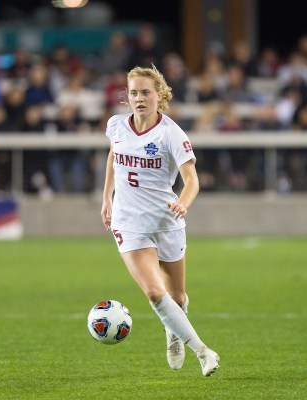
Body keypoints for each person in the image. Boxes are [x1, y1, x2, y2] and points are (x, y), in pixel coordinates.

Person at [100, 65, 220, 376]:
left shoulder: (171, 133)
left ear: (159, 96)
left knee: (177, 297)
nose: (139, 98)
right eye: (134, 92)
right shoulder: (116, 125)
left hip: (166, 222)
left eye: (146, 93)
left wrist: (183, 202)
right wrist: (106, 198)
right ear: (127, 96)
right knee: (155, 294)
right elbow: (114, 155)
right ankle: (203, 351)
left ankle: (173, 330)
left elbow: (191, 179)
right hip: (128, 223)